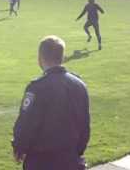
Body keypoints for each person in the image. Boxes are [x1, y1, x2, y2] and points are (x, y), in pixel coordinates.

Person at [12, 35, 90, 170]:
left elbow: (26, 123)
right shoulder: (80, 85)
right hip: (71, 159)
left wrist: (19, 147)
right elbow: (85, 126)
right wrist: (76, 153)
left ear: (40, 58)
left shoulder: (37, 88)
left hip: (42, 161)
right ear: (62, 57)